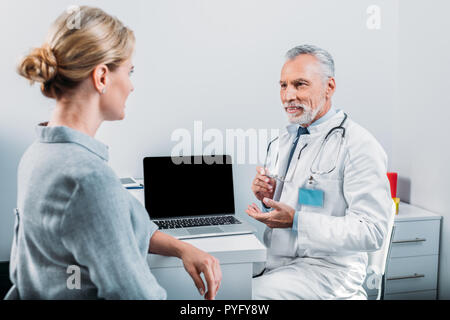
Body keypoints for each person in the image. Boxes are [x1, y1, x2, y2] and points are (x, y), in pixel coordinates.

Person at [5, 6, 221, 300]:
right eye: (129, 72)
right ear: (102, 77)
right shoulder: (88, 179)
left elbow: (124, 222)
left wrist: (182, 247)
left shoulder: (38, 155)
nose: (131, 86)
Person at [246, 44, 392, 300]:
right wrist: (267, 195)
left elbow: (372, 232)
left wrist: (297, 221)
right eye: (283, 85)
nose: (288, 95)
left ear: (330, 87)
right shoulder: (283, 140)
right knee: (214, 281)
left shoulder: (359, 145)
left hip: (328, 271)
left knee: (242, 298)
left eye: (300, 84)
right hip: (278, 263)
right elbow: (310, 198)